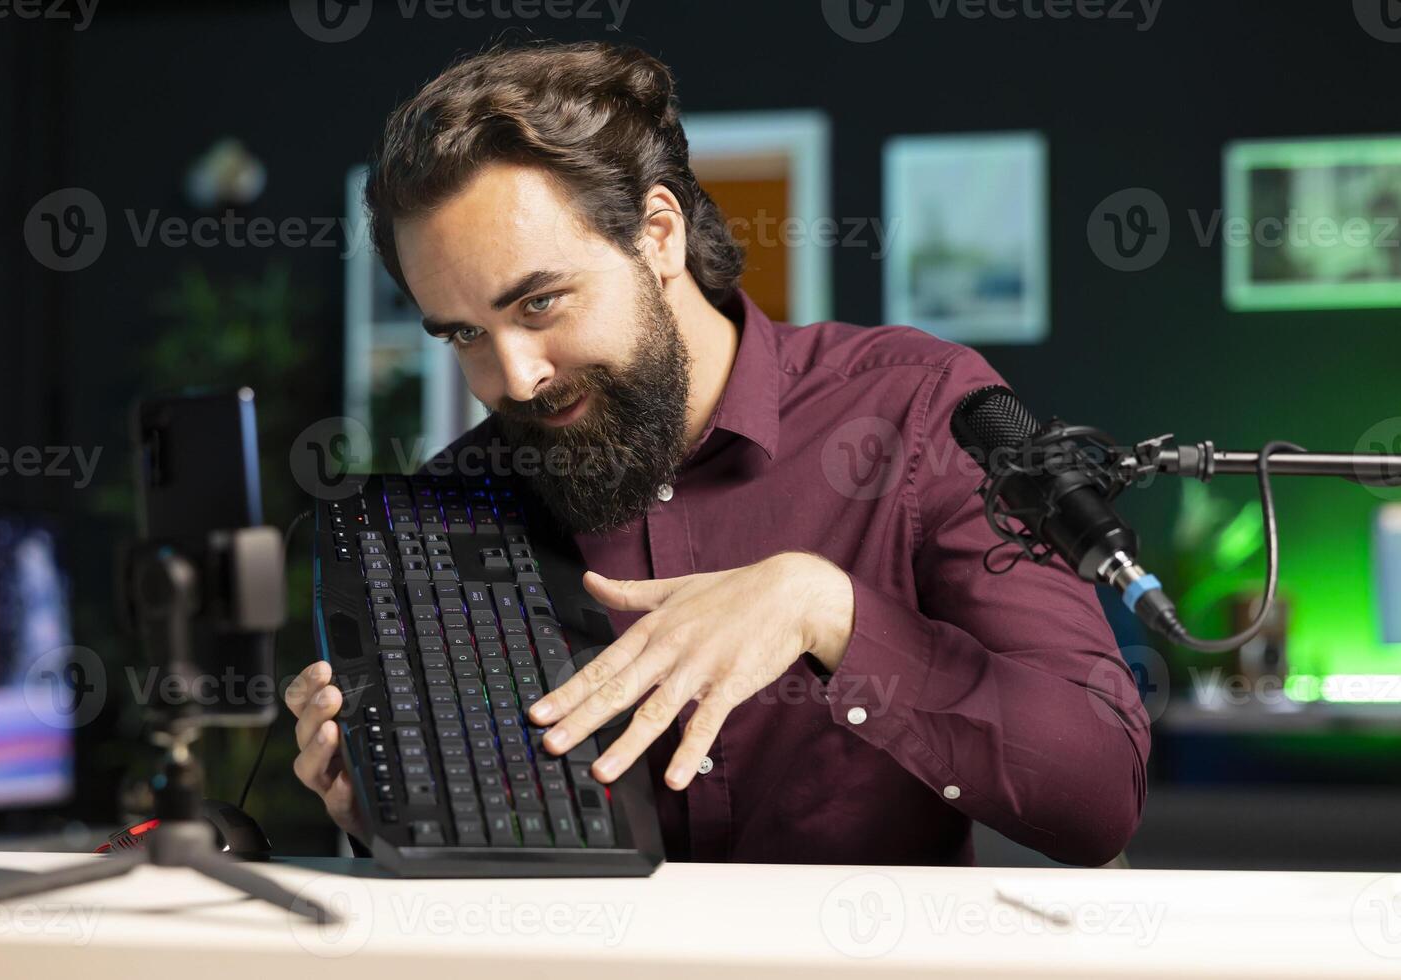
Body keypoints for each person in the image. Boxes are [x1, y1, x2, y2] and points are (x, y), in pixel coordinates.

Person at [286, 40, 1149, 867]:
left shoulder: (917, 410)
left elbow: (1096, 790)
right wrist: (395, 814)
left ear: (657, 233)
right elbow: (497, 873)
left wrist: (829, 610)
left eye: (541, 304)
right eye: (467, 333)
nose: (513, 377)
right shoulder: (451, 509)